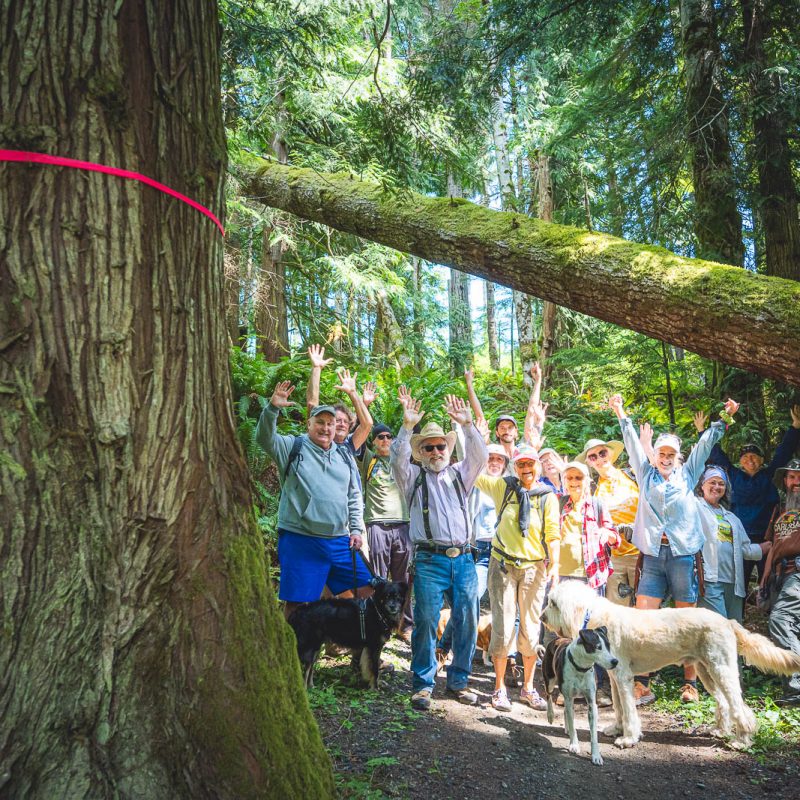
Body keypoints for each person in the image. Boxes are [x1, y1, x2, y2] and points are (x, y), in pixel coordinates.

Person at [609, 393, 740, 704]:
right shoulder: (645, 473)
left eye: (671, 454)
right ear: (653, 455)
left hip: (682, 556)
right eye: (661, 453)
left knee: (687, 619)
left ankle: (690, 684)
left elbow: (706, 444)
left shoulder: (688, 474)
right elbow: (629, 442)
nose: (666, 458)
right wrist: (620, 413)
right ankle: (642, 681)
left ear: (679, 456)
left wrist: (725, 419)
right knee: (643, 617)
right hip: (653, 556)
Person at [390, 390, 488, 711]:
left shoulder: (461, 474)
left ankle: (459, 680)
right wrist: (407, 428)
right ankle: (423, 684)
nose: (435, 451)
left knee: (468, 618)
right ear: (422, 452)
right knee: (427, 619)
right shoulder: (413, 477)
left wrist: (468, 424)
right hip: (429, 559)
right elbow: (396, 459)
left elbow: (481, 456)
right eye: (429, 447)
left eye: (440, 445)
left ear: (448, 448)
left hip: (464, 559)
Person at [256, 381, 370, 622]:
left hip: (339, 539)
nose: (326, 428)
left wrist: (357, 529)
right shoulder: (293, 446)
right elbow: (264, 438)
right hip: (301, 538)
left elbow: (353, 495)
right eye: (320, 422)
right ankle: (294, 656)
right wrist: (272, 409)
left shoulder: (344, 455)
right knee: (297, 603)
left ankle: (357, 651)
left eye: (330, 423)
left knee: (367, 589)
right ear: (309, 424)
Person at [474, 445, 560, 712]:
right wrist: (471, 431)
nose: (526, 469)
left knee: (532, 628)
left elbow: (553, 533)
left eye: (530, 464)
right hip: (503, 566)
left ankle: (529, 688)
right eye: (521, 464)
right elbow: (474, 472)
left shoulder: (548, 496)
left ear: (538, 465)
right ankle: (499, 688)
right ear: (515, 467)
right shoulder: (504, 488)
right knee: (503, 627)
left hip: (534, 568)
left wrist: (555, 564)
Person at [696, 404, 800, 586]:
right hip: (740, 537)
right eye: (745, 457)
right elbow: (716, 455)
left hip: (767, 537)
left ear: (761, 460)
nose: (750, 460)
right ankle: (738, 613)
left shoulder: (769, 475)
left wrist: (795, 427)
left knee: (768, 579)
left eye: (754, 457)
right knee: (739, 582)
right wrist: (701, 431)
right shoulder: (734, 476)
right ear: (740, 461)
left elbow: (783, 452)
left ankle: (768, 610)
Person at [437, 441, 509, 664]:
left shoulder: (510, 485)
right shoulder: (476, 483)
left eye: (499, 459)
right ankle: (443, 648)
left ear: (506, 464)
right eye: (491, 458)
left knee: (508, 607)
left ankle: (510, 657)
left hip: (505, 552)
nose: (495, 462)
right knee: (469, 599)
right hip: (481, 551)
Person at [555, 460, 619, 706]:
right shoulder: (559, 503)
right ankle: (567, 686)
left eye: (578, 478)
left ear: (587, 481)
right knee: (567, 632)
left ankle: (599, 687)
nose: (574, 483)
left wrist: (608, 534)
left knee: (593, 631)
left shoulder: (598, 505)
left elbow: (614, 536)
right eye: (569, 478)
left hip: (591, 576)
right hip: (564, 577)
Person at [360, 422, 413, 640]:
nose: (385, 440)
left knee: (405, 579)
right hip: (377, 525)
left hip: (403, 524)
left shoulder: (400, 463)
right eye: (380, 437)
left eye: (389, 436)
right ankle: (378, 623)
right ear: (373, 441)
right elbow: (359, 434)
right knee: (378, 579)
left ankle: (405, 625)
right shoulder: (368, 461)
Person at [696, 466, 768, 622]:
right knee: (718, 626)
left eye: (721, 483)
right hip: (709, 579)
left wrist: (767, 547)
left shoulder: (732, 518)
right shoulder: (695, 507)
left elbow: (745, 549)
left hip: (734, 583)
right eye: (712, 482)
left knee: (736, 627)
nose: (717, 487)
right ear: (702, 485)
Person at [577, 438, 640, 610]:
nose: (599, 459)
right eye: (592, 457)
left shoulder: (632, 476)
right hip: (614, 557)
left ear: (610, 454)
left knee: (644, 607)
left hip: (640, 553)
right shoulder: (595, 491)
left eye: (602, 453)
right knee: (618, 608)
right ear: (589, 463)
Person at [762, 459, 800, 705]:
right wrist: (764, 581)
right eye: (790, 477)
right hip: (780, 574)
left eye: (799, 477)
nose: (795, 482)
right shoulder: (779, 510)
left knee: (781, 619)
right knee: (792, 626)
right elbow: (772, 547)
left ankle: (796, 685)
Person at [305, 344, 375, 454]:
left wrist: (353, 392)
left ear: (349, 427)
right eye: (337, 421)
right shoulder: (319, 442)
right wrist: (316, 368)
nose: (342, 424)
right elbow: (311, 404)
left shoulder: (350, 445)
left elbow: (367, 424)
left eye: (345, 422)